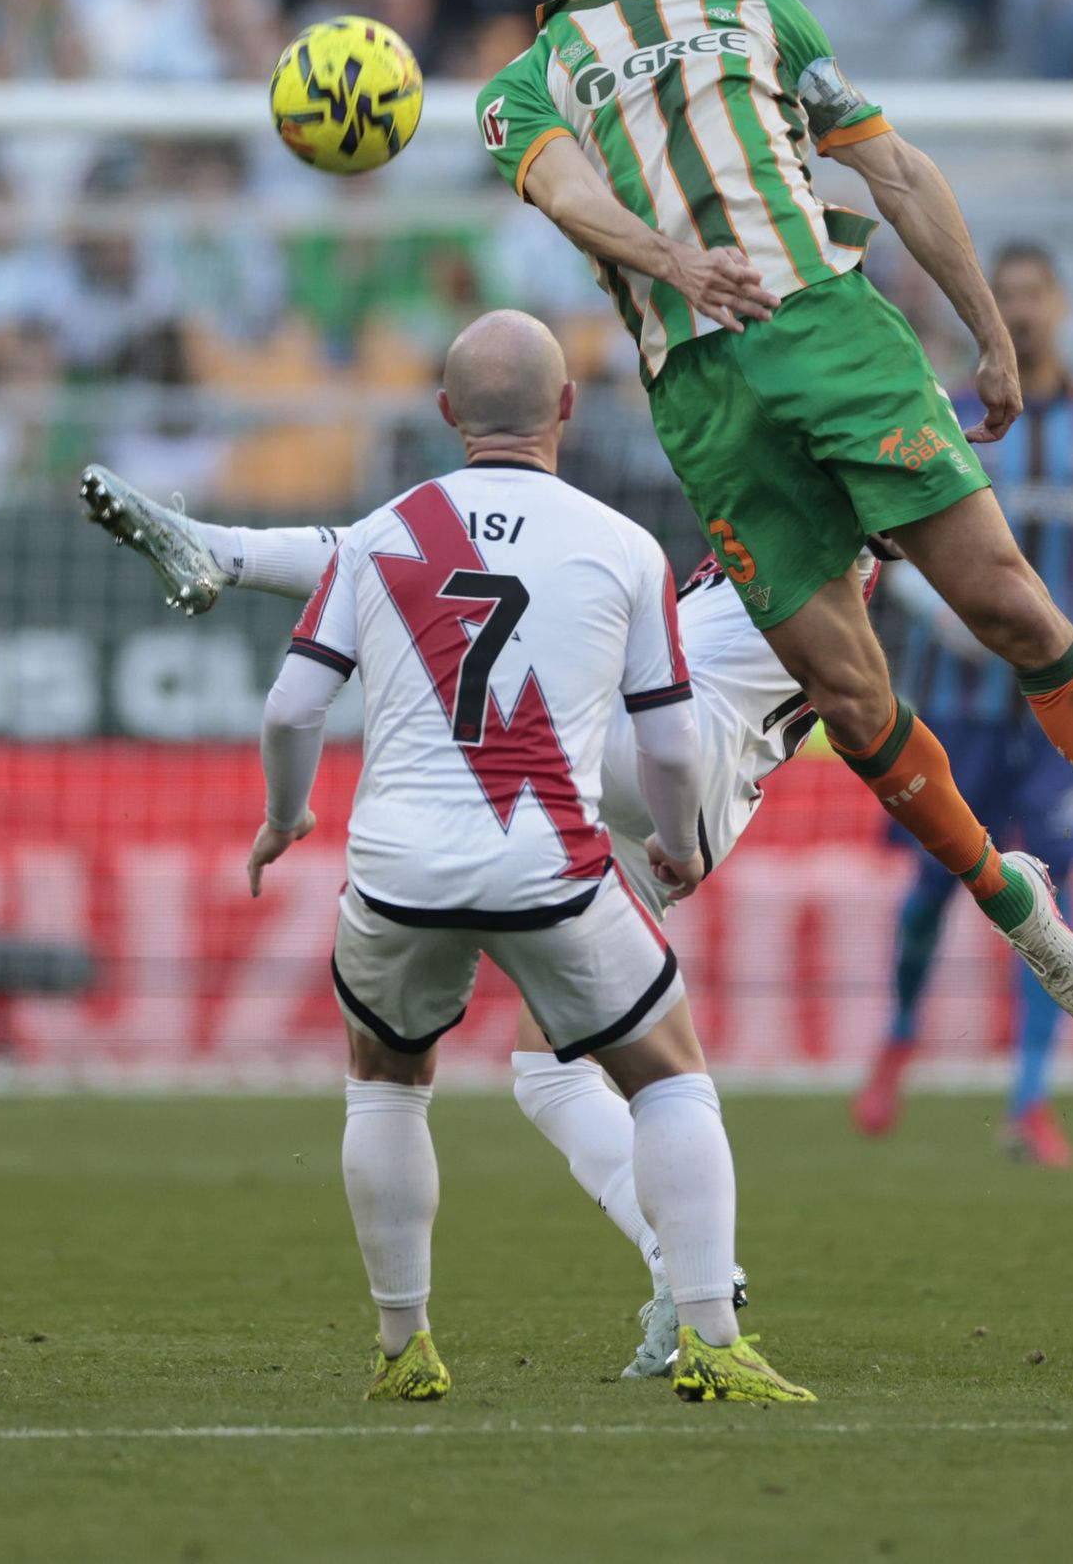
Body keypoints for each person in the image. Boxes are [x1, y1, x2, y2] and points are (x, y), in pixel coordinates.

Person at [80, 398, 1073, 1379]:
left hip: (657, 756)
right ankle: (681, 1272)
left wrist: (993, 880)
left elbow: (878, 724)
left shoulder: (813, 555)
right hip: (675, 790)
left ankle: (227, 551)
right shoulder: (801, 552)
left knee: (433, 561)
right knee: (552, 1071)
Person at [466, 0, 1073, 982]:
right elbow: (569, 194)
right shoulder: (523, 81)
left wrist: (988, 332)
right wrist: (672, 258)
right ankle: (1012, 900)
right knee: (848, 697)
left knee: (1004, 599)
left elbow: (891, 167)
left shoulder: (753, 12)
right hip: (701, 390)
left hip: (833, 332)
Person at [241, 310, 814, 1405]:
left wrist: (283, 817)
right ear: (566, 407)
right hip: (548, 862)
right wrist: (682, 842)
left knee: (385, 1088)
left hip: (398, 866)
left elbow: (291, 705)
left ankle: (405, 1348)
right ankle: (712, 1338)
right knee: (668, 1076)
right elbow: (667, 735)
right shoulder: (621, 543)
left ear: (446, 412)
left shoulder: (382, 533)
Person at [853, 244, 1073, 1161]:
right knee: (935, 882)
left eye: (1034, 294)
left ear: (1063, 302)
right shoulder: (946, 415)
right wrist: (932, 597)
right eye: (1004, 298)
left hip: (1061, 721)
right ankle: (897, 1038)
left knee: (1060, 882)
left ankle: (1031, 1098)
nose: (1022, 310)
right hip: (961, 701)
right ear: (987, 314)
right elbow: (882, 522)